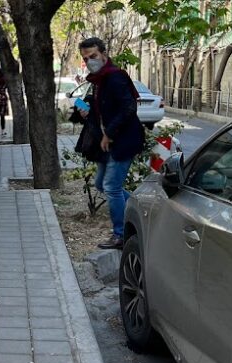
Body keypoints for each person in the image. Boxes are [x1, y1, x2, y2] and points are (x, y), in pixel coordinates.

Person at [77, 37, 145, 250]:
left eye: (93, 56)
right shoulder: (99, 80)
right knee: (101, 184)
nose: (90, 61)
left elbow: (129, 108)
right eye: (86, 59)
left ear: (104, 54)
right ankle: (140, 209)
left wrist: (110, 133)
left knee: (111, 187)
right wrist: (84, 111)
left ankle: (120, 235)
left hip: (123, 141)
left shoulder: (115, 77)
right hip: (108, 143)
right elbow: (100, 109)